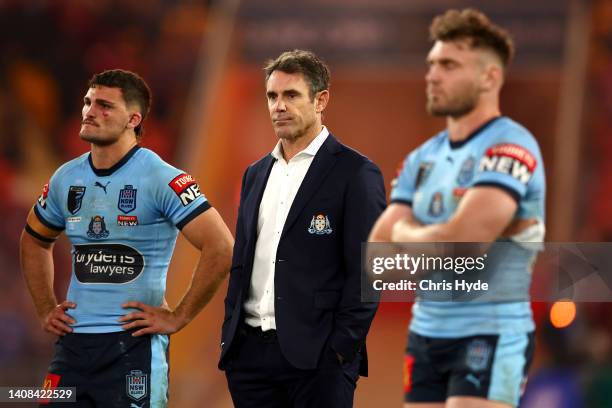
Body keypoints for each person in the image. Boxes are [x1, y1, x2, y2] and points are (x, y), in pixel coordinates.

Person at [20, 69, 234, 407]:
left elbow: (221, 246)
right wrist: (46, 307)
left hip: (133, 348)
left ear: (133, 119)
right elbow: (34, 240)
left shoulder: (162, 178)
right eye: (88, 102)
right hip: (72, 346)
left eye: (105, 105)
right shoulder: (65, 177)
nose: (90, 111)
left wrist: (178, 316)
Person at [368, 9, 546, 408]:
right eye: (431, 64)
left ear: (489, 77)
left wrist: (408, 233)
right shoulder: (421, 160)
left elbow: (463, 245)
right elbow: (377, 262)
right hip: (426, 333)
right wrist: (437, 241)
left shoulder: (511, 146)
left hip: (491, 332)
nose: (432, 75)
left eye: (448, 65)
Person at [218, 49, 386, 407]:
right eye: (272, 96)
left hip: (319, 359)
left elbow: (369, 271)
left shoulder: (356, 173)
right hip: (249, 358)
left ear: (321, 100)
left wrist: (341, 348)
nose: (279, 105)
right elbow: (242, 260)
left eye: (291, 95)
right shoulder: (255, 174)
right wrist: (230, 338)